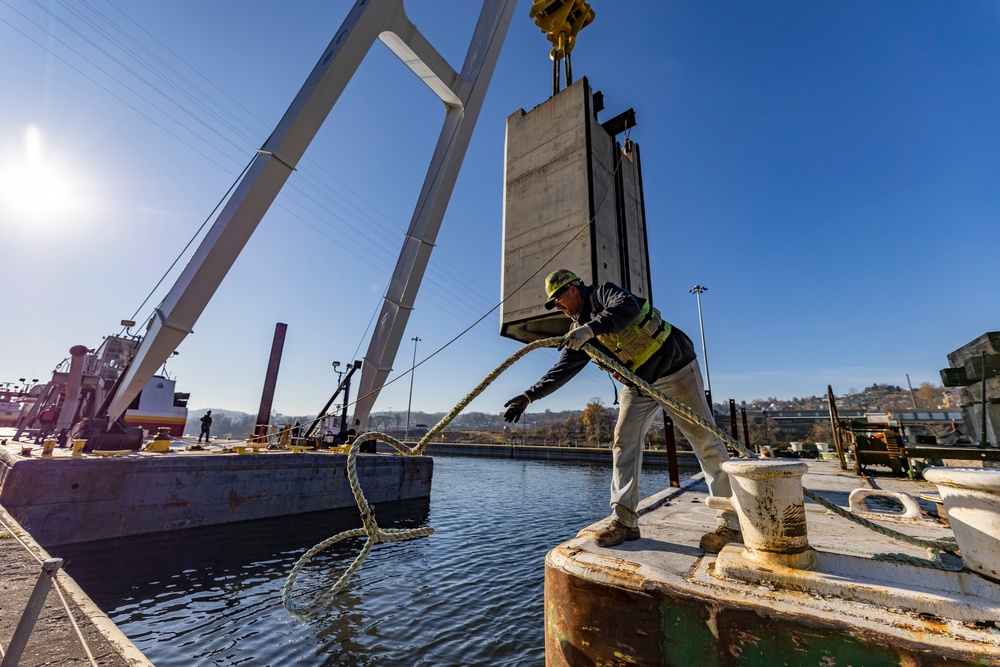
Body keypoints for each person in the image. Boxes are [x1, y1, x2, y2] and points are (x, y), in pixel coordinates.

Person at [503, 269, 741, 551]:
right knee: (623, 443)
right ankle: (625, 522)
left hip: (676, 370)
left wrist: (590, 329)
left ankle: (732, 525)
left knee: (706, 442)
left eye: (558, 300)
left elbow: (627, 308)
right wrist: (529, 396)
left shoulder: (604, 294)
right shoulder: (578, 333)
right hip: (638, 385)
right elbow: (563, 369)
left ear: (573, 290)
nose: (558, 307)